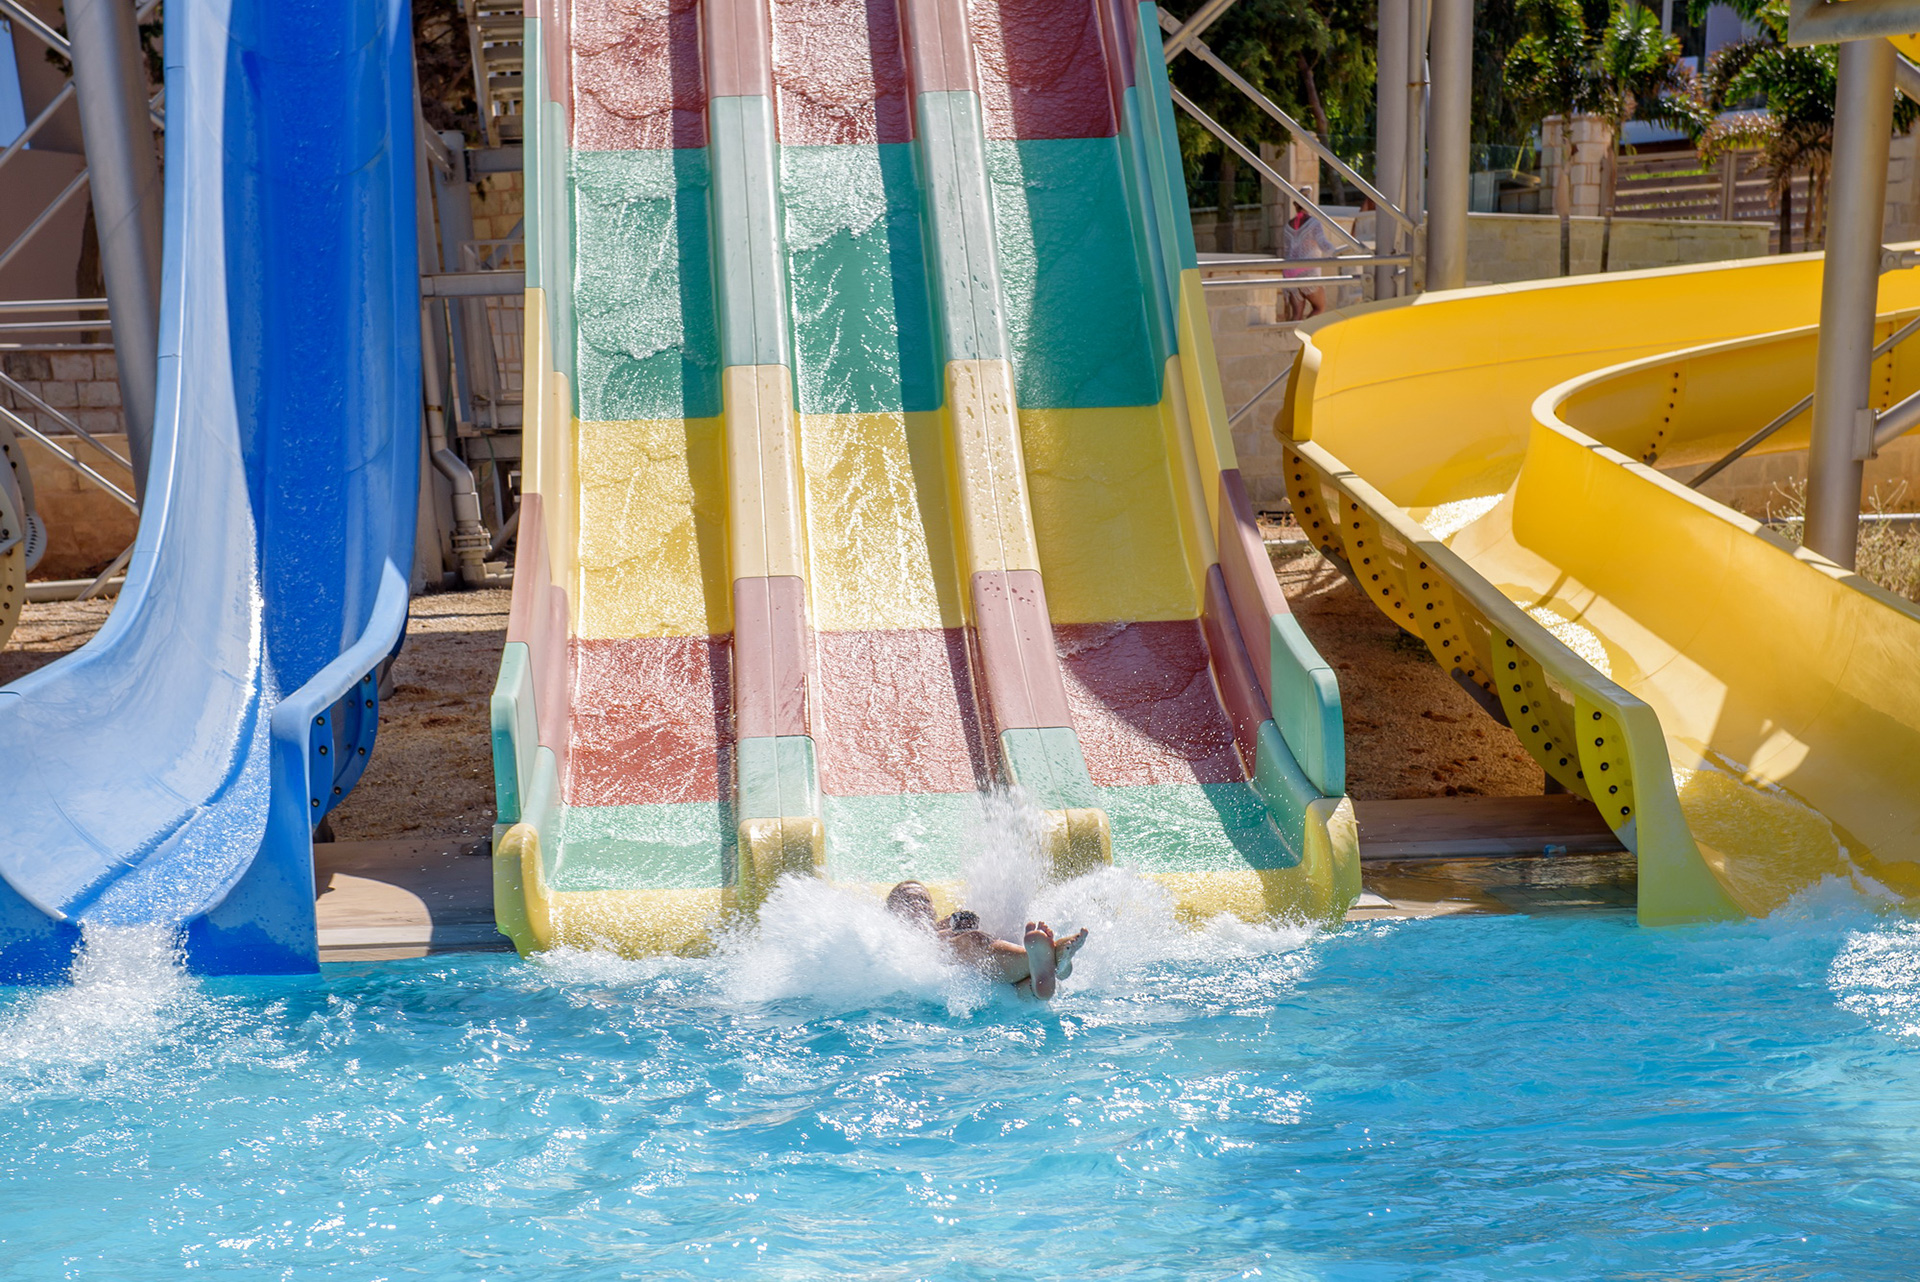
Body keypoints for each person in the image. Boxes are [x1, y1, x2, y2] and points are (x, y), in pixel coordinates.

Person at [885, 881, 1087, 1000]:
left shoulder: (941, 925)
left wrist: (958, 920)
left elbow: (969, 919)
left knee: (978, 940)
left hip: (992, 972)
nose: (918, 905)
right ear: (893, 913)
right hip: (978, 968)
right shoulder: (893, 941)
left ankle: (1041, 967)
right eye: (909, 900)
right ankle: (1050, 959)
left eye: (924, 901)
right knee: (973, 940)